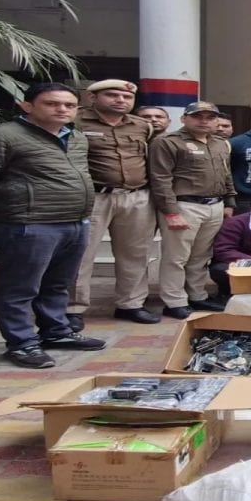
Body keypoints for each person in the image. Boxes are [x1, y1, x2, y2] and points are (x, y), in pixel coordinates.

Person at [0, 83, 106, 369]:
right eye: (52, 103)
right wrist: (2, 202)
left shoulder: (76, 137)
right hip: (29, 223)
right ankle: (22, 343)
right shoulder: (1, 136)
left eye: (69, 105)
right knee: (20, 287)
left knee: (58, 284)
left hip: (75, 222)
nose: (62, 109)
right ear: (27, 106)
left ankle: (56, 332)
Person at [69, 79, 159, 329]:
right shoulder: (75, 121)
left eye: (127, 97)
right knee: (80, 254)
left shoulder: (142, 126)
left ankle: (131, 304)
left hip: (136, 197)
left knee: (136, 254)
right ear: (92, 98)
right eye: (112, 95)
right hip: (93, 197)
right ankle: (72, 308)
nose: (121, 100)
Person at [148, 100, 234, 319]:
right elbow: (161, 179)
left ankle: (197, 296)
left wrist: (229, 202)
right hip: (184, 205)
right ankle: (174, 301)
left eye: (210, 117)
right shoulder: (168, 142)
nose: (204, 121)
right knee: (176, 257)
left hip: (214, 205)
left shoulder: (221, 143)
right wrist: (171, 212)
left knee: (201, 256)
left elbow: (226, 174)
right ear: (184, 118)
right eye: (197, 116)